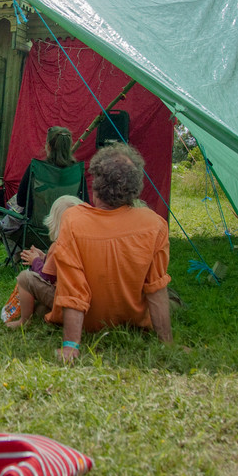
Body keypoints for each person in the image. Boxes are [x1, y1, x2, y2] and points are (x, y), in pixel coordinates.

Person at [47, 143, 172, 362]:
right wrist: (168, 344)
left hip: (88, 323)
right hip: (134, 323)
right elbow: (156, 289)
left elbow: (72, 288)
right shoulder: (155, 224)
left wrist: (70, 347)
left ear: (95, 183)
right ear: (136, 187)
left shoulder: (73, 220)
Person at [1, 195, 84, 329]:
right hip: (81, 301)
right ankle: (53, 316)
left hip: (65, 298)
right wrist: (45, 258)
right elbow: (60, 267)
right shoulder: (83, 244)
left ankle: (24, 321)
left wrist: (36, 261)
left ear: (54, 223)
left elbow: (47, 277)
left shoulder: (58, 245)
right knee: (40, 310)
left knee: (25, 278)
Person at [10, 127, 89, 215]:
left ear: (48, 146)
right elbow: (84, 204)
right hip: (66, 225)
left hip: (36, 226)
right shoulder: (77, 171)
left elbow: (21, 201)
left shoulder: (36, 168)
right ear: (69, 147)